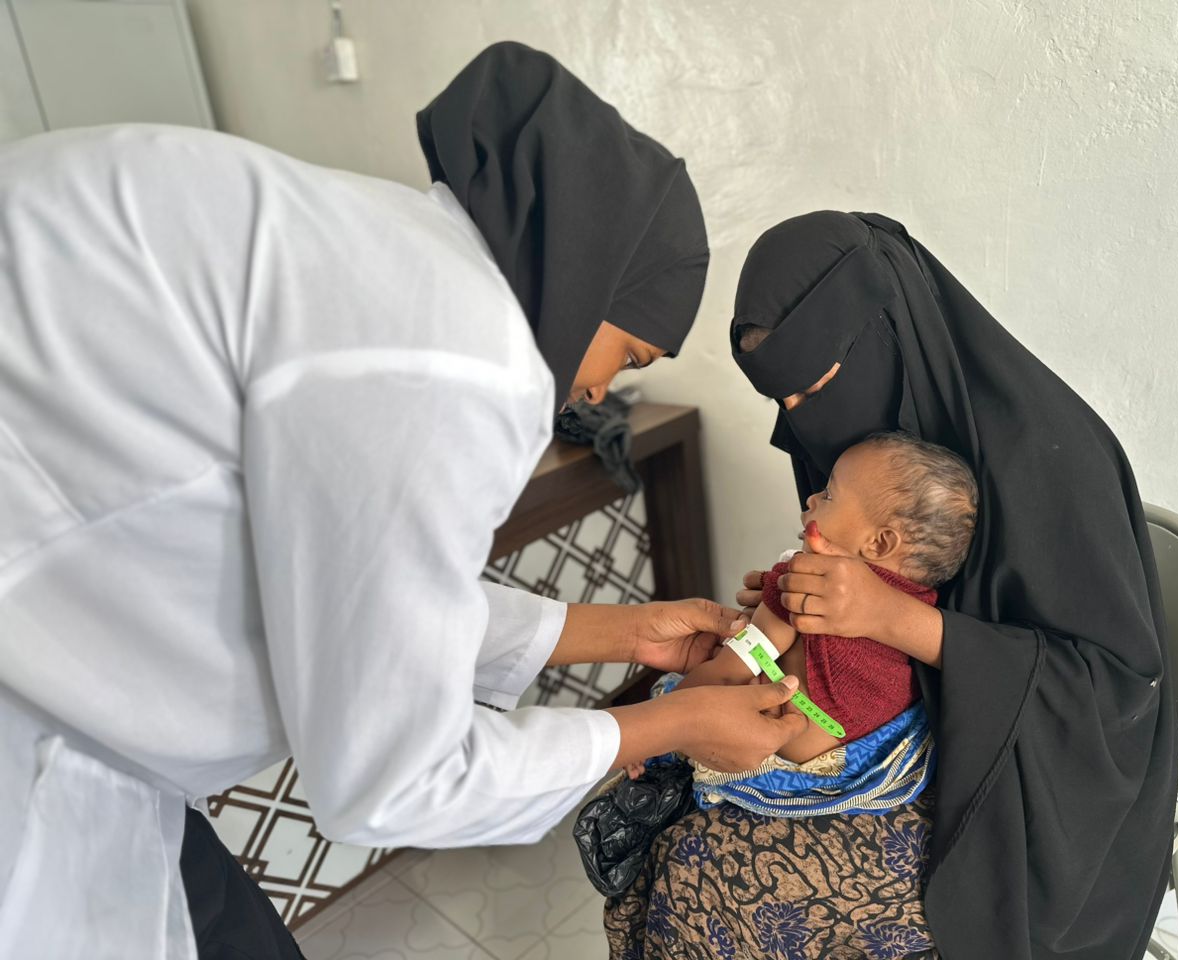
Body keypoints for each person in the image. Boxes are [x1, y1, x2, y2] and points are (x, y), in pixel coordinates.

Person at [0, 43, 808, 960]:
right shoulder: (458, 359)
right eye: (627, 357)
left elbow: (356, 599)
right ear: (590, 276)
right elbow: (393, 774)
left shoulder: (386, 255)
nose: (594, 394)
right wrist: (663, 726)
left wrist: (625, 634)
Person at [606, 211, 1177, 960]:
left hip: (1028, 807)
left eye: (814, 389)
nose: (801, 424)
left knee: (710, 873)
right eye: (784, 401)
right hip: (895, 737)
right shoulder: (869, 439)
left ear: (883, 332)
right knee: (660, 805)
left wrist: (888, 619)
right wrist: (810, 609)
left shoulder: (1050, 462)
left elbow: (1112, 696)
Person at [621, 432, 976, 822]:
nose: (811, 499)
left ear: (879, 543)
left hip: (786, 761)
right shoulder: (923, 608)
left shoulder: (801, 582)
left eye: (828, 493)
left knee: (673, 690)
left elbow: (726, 674)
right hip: (872, 763)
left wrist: (650, 733)